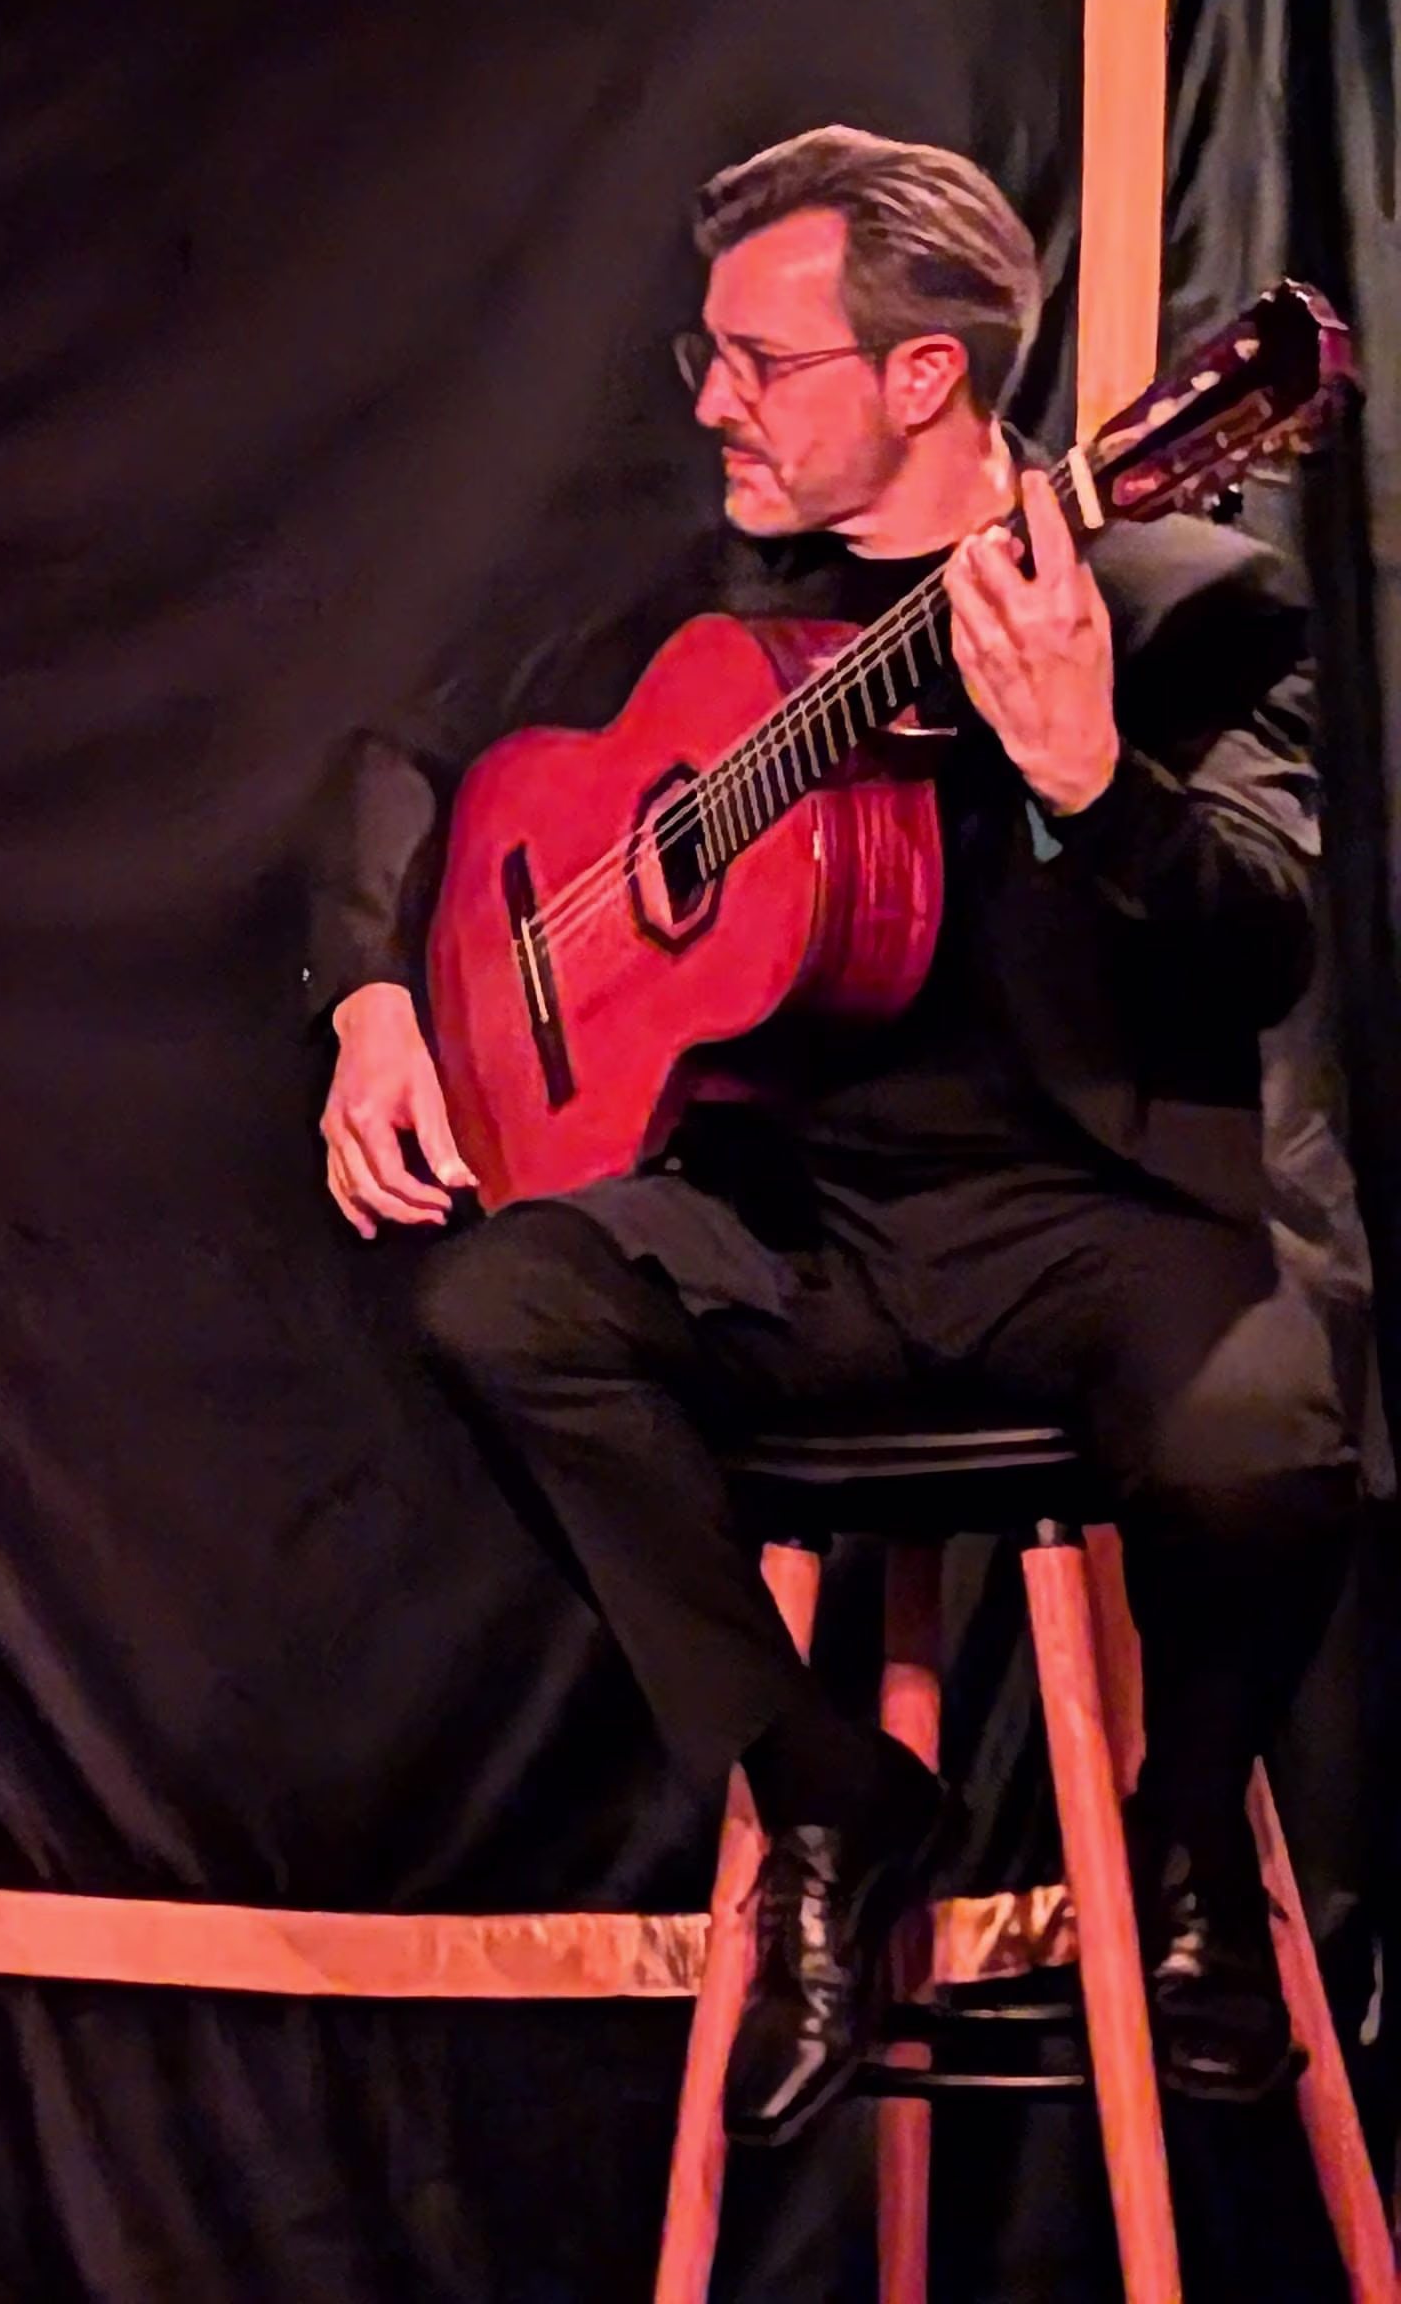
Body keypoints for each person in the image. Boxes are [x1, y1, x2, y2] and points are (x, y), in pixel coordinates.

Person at [311, 128, 1351, 2143]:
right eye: (702, 353)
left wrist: (1091, 779)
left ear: (922, 378)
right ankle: (825, 1800)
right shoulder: (680, 584)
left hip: (1082, 1223)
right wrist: (368, 995)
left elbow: (1263, 935)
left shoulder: (1180, 593)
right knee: (498, 1305)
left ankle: (1175, 1848)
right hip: (781, 1232)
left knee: (1262, 1434)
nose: (703, 399)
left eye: (750, 360)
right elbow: (388, 755)